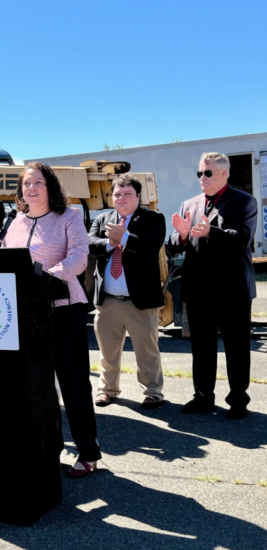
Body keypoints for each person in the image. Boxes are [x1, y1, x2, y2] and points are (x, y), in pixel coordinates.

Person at [2, 162, 101, 478]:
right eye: (26, 184)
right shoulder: (15, 221)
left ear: (51, 187)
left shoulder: (69, 216)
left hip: (63, 310)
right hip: (26, 313)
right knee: (37, 386)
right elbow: (6, 259)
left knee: (73, 384)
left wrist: (46, 278)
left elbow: (79, 257)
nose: (31, 188)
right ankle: (48, 448)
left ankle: (88, 452)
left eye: (37, 183)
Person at [169, 152, 257, 420]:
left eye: (207, 173)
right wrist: (182, 235)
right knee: (202, 348)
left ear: (223, 173)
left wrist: (212, 232)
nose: (202, 179)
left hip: (233, 290)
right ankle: (203, 396)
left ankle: (238, 399)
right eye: (199, 173)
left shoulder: (244, 202)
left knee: (237, 347)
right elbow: (174, 242)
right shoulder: (190, 203)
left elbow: (242, 238)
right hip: (198, 289)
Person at [89, 175, 166, 409]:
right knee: (107, 351)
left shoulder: (153, 219)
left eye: (127, 194)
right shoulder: (103, 219)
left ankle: (153, 391)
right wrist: (111, 244)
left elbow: (151, 246)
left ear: (138, 196)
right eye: (117, 194)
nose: (121, 198)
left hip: (140, 300)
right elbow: (90, 243)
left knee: (147, 350)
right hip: (109, 301)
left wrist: (123, 237)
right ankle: (107, 390)